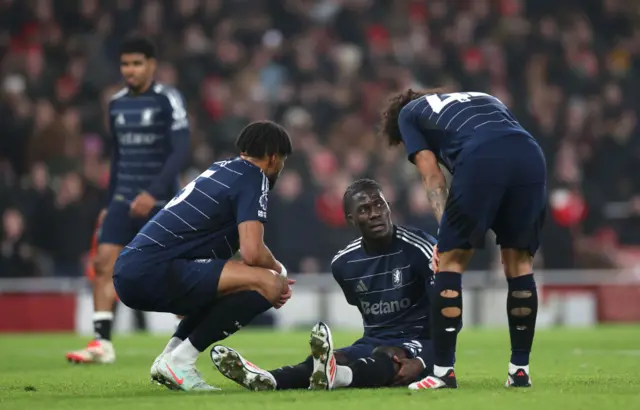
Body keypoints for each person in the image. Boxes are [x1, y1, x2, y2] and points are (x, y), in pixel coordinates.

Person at [380, 90, 546, 389]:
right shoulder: (483, 96)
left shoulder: (408, 114)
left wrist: (445, 237)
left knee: (450, 262)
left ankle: (443, 372)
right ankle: (519, 370)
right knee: (519, 264)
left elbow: (432, 176)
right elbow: (505, 134)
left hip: (482, 157)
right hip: (530, 154)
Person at [113, 120, 295, 391]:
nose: (280, 167)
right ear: (272, 157)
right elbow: (252, 251)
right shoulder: (253, 177)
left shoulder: (221, 169)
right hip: (155, 268)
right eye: (282, 160)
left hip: (135, 267)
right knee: (268, 283)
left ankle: (170, 357)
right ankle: (182, 362)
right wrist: (279, 270)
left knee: (238, 284)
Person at [211, 179, 438, 391]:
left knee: (387, 354)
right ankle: (269, 379)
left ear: (389, 207)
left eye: (379, 205)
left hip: (418, 341)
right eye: (364, 210)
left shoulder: (421, 249)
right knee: (329, 359)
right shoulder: (344, 264)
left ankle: (338, 377)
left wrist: (422, 361)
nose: (374, 214)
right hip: (372, 340)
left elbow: (447, 315)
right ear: (350, 219)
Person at [66, 36, 191, 364]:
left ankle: (184, 344)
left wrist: (153, 193)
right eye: (125, 64)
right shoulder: (117, 103)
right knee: (103, 262)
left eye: (136, 63)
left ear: (151, 65)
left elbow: (180, 150)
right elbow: (118, 158)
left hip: (160, 200)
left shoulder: (168, 99)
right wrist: (110, 201)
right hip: (123, 197)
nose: (130, 70)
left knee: (171, 270)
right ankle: (101, 344)